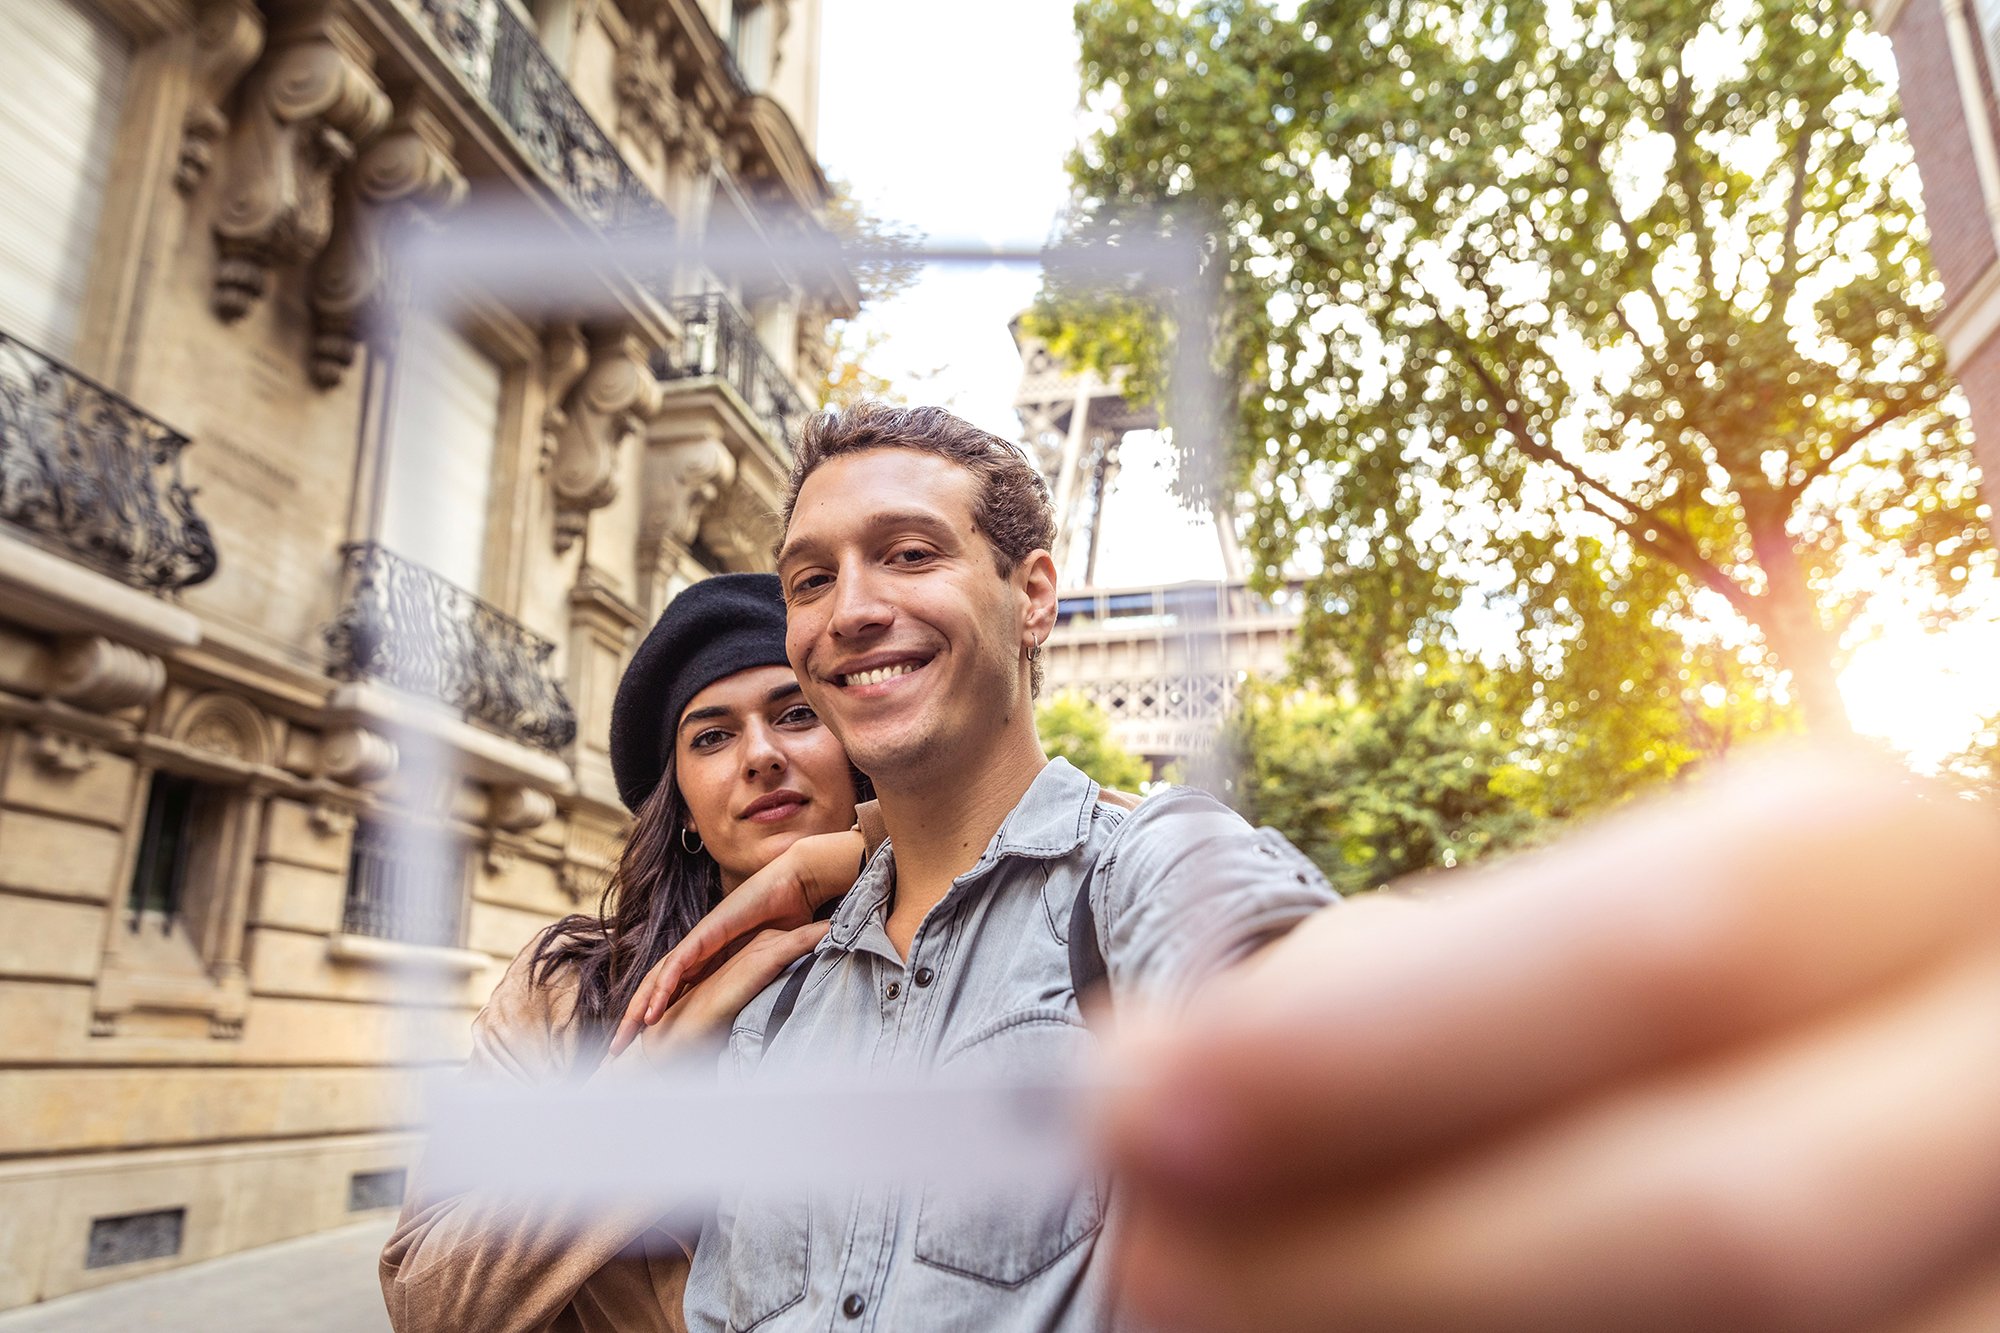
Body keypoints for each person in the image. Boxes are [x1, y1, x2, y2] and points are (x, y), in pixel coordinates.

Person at [662, 403, 1338, 1331]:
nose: (851, 610)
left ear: (1034, 596)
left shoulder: (1141, 871)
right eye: (811, 579)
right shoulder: (776, 1008)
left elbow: (1312, 1004)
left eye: (909, 553)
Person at [379, 573, 870, 1333]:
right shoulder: (567, 990)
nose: (761, 754)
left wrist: (878, 844)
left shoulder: (949, 948)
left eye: (797, 713)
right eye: (712, 735)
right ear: (685, 811)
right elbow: (427, 1302)